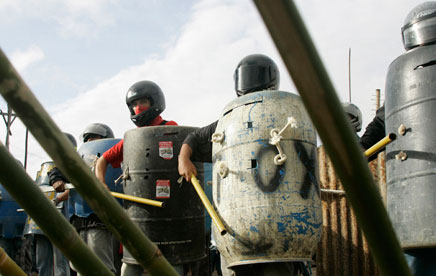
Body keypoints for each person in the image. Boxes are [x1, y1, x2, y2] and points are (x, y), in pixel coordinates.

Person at [179, 54, 310, 276]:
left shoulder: (285, 112)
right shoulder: (231, 119)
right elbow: (194, 138)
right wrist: (184, 160)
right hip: (237, 228)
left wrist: (184, 157)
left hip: (276, 226)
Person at [366, 2, 436, 275]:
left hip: (415, 212)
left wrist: (357, 151)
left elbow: (372, 136)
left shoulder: (402, 74)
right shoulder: (404, 74)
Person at [94, 80, 178, 276]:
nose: (137, 108)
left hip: (168, 212)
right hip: (138, 214)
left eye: (142, 102)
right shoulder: (131, 139)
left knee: (172, 265)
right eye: (133, 104)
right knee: (130, 267)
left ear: (154, 102)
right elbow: (102, 161)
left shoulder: (171, 127)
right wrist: (101, 183)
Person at [49, 127, 121, 276]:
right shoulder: (79, 158)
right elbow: (58, 170)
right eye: (87, 139)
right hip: (78, 216)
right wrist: (56, 179)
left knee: (101, 263)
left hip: (101, 217)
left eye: (94, 138)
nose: (90, 142)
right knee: (79, 264)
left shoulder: (115, 158)